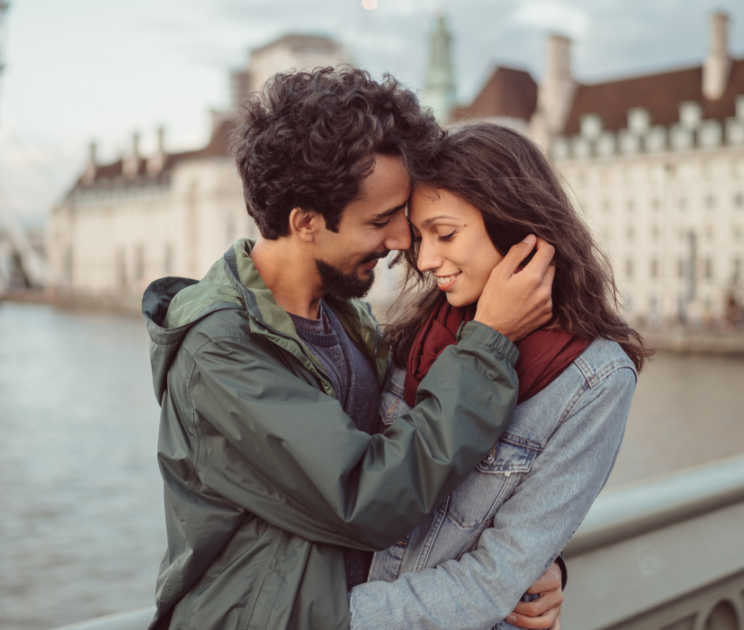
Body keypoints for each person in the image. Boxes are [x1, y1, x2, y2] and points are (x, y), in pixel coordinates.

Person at [141, 68, 560, 630]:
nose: (402, 241)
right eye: (380, 220)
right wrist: (490, 343)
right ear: (306, 222)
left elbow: (432, 459)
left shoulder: (345, 315)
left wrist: (531, 564)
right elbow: (369, 496)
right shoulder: (219, 352)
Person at [348, 122, 650, 630]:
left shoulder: (596, 381)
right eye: (420, 237)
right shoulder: (414, 334)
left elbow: (495, 578)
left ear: (515, 225)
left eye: (445, 234)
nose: (425, 259)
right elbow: (351, 491)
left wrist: (330, 618)